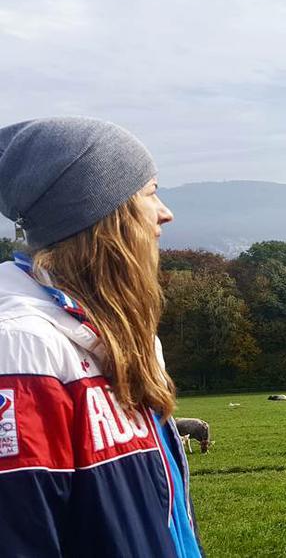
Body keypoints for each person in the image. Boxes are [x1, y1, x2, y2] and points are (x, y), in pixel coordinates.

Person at [0, 117, 202, 556]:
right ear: (105, 216)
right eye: (149, 193)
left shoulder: (127, 338)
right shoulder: (21, 349)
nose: (165, 212)